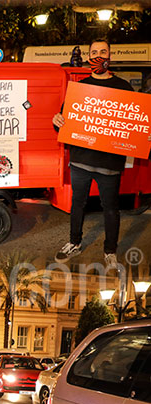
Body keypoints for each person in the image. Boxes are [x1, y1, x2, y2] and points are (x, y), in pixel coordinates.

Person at [53, 36, 134, 267]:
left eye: (104, 52)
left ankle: (110, 250)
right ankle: (74, 243)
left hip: (110, 164)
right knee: (77, 204)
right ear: (89, 57)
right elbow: (64, 118)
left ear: (110, 56)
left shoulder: (124, 87)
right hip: (81, 161)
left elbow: (135, 122)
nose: (99, 55)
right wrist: (57, 120)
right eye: (95, 52)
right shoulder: (80, 89)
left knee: (111, 209)